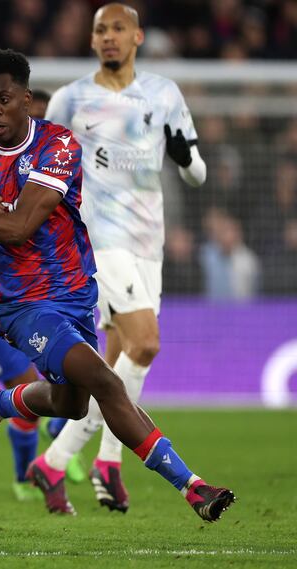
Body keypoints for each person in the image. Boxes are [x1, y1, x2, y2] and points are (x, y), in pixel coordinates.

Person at [0, 48, 234, 522]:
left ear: (27, 100)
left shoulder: (59, 145)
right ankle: (193, 486)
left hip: (74, 296)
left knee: (71, 404)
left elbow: (19, 228)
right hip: (20, 304)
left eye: (3, 99)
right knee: (104, 381)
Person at [40, 2, 208, 514]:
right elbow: (41, 166)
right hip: (95, 239)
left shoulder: (164, 95)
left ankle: (58, 461)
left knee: (119, 357)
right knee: (147, 341)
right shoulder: (70, 100)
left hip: (146, 242)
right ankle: (108, 459)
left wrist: (185, 157)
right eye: (100, 30)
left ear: (137, 37)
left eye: (118, 28)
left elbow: (196, 172)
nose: (109, 37)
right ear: (91, 41)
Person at [0, 89, 87, 503]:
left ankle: (58, 446)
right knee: (25, 385)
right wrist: (10, 237)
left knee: (73, 386)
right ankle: (27, 478)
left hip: (53, 295)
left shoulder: (55, 171)